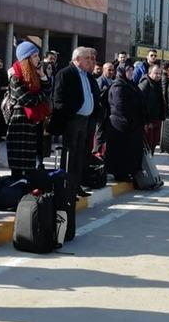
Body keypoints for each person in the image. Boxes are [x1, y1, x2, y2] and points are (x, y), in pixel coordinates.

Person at [51, 47, 100, 214]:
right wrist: (70, 115)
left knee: (81, 155)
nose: (90, 61)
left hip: (86, 121)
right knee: (70, 156)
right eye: (87, 58)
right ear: (78, 59)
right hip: (73, 121)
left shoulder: (87, 76)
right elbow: (58, 99)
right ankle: (66, 189)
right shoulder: (66, 73)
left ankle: (76, 186)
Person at [7, 41, 52, 177]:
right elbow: (28, 100)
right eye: (34, 56)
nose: (38, 59)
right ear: (26, 59)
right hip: (20, 123)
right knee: (18, 168)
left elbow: (48, 89)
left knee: (30, 167)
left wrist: (43, 76)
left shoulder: (35, 74)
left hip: (32, 123)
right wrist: (42, 95)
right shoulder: (16, 76)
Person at [107, 63, 146, 181]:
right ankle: (120, 173)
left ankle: (130, 171)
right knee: (121, 151)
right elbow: (120, 106)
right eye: (128, 70)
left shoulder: (131, 85)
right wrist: (132, 118)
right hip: (121, 124)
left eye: (132, 70)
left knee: (131, 151)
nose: (131, 73)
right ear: (122, 71)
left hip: (133, 124)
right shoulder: (118, 86)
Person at [139, 64, 166, 155]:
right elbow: (140, 102)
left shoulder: (158, 83)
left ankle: (151, 158)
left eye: (160, 73)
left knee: (154, 142)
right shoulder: (145, 83)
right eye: (156, 73)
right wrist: (146, 120)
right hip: (148, 120)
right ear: (150, 73)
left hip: (157, 118)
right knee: (147, 143)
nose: (158, 75)